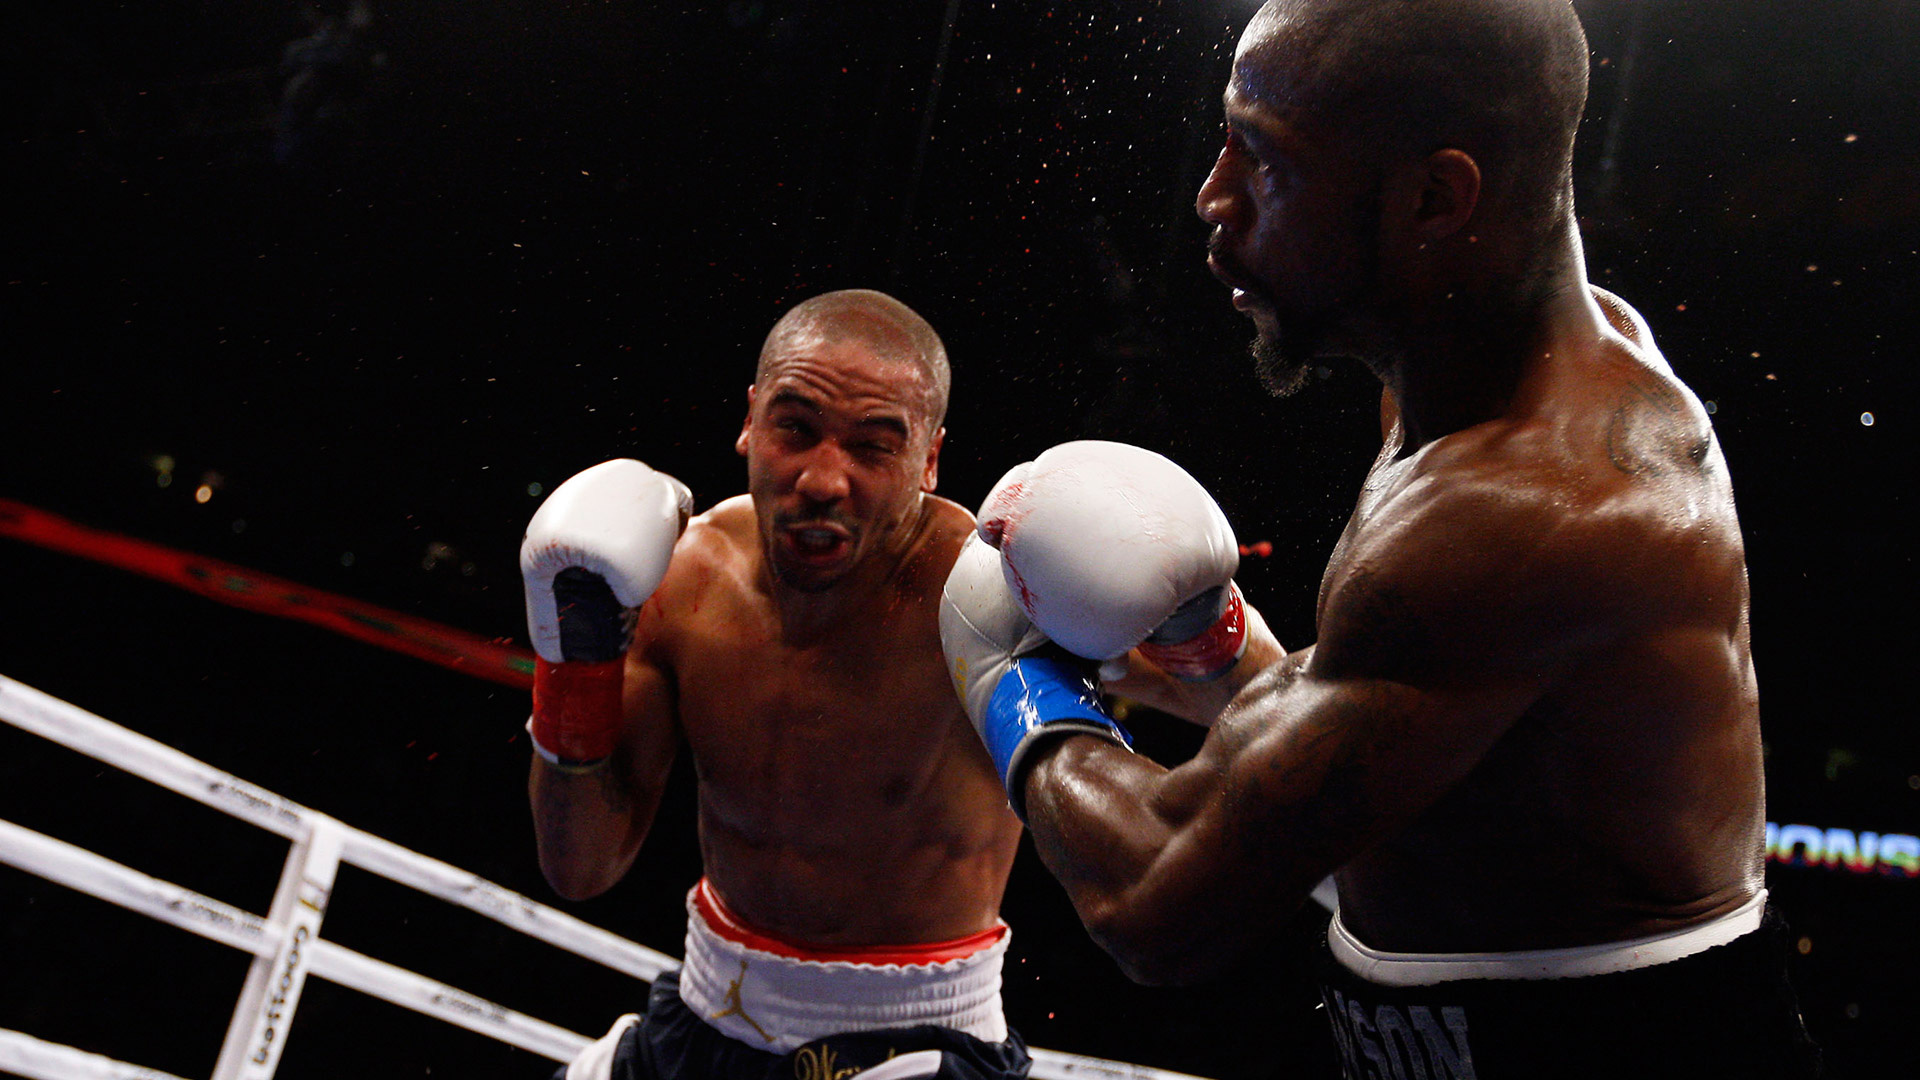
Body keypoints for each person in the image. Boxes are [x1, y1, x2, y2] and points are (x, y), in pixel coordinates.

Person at [939, 1, 1822, 1076]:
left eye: (1264, 160)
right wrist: (1221, 662)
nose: (1213, 197)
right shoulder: (1458, 382)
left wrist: (1004, 678)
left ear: (1435, 199)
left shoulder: (1535, 507)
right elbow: (1444, 752)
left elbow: (1156, 900)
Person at [522, 290, 1029, 1080]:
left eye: (872, 447)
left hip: (916, 1045)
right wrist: (573, 670)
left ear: (929, 460)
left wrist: (1208, 632)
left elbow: (1232, 688)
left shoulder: (990, 599)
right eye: (795, 428)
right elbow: (579, 868)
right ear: (751, 421)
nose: (823, 479)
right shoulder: (683, 581)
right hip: (701, 1015)